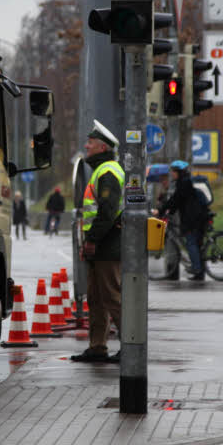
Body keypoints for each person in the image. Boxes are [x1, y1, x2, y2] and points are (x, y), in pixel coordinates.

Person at [71, 120, 123, 363]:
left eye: (90, 143)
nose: (86, 146)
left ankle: (130, 345)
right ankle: (97, 347)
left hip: (107, 246)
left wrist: (91, 240)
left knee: (111, 297)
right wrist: (88, 243)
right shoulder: (102, 171)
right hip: (100, 246)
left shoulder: (109, 172)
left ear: (102, 147)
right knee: (97, 298)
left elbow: (107, 212)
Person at [159, 160, 209, 281]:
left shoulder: (184, 183)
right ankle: (198, 272)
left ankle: (197, 268)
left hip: (193, 218)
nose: (172, 174)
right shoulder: (185, 182)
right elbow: (178, 201)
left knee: (191, 241)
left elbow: (176, 200)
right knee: (195, 243)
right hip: (197, 216)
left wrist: (163, 211)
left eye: (174, 172)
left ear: (179, 172)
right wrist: (169, 211)